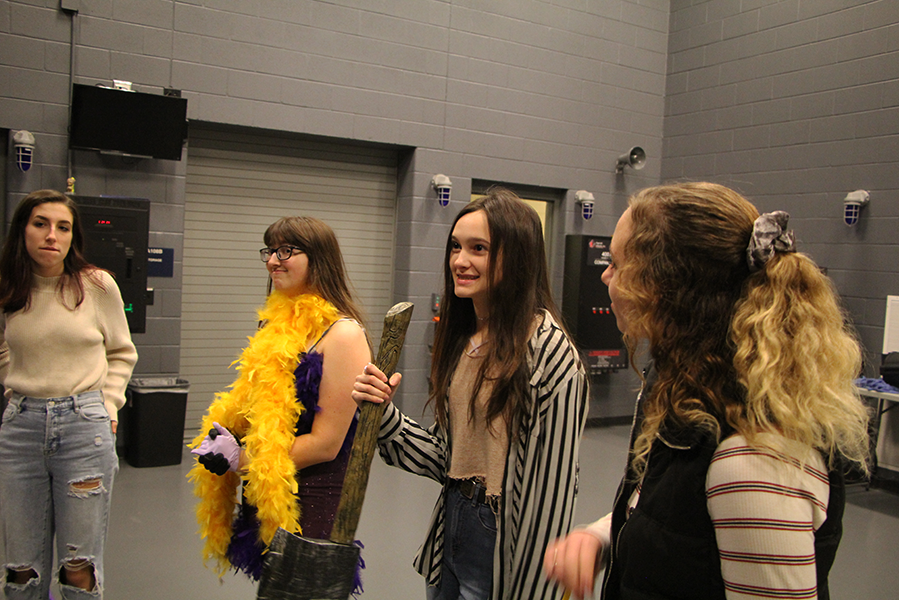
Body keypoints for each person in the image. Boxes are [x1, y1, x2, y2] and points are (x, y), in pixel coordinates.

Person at [544, 182, 871, 600]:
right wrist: (601, 537)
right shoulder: (689, 395)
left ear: (663, 287)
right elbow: (678, 518)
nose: (605, 275)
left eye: (617, 263)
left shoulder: (751, 460)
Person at [352, 188, 589, 600]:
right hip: (452, 525)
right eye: (456, 247)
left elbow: (548, 502)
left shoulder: (548, 352)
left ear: (516, 256)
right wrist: (384, 417)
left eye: (479, 248)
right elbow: (449, 457)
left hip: (501, 541)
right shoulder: (466, 339)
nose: (460, 261)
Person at [189, 216, 371, 580]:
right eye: (270, 250)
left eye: (286, 250)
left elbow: (326, 444)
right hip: (267, 491)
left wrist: (242, 458)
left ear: (319, 259)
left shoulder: (343, 335)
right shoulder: (276, 326)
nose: (273, 260)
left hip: (312, 501)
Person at [0, 189, 138, 599]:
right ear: (22, 230)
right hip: (21, 429)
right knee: (21, 568)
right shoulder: (8, 287)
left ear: (73, 236)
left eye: (63, 227)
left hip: (84, 429)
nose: (51, 236)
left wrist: (108, 403)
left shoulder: (96, 285)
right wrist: (18, 379)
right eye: (40, 224)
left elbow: (121, 352)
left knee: (78, 566)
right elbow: (2, 347)